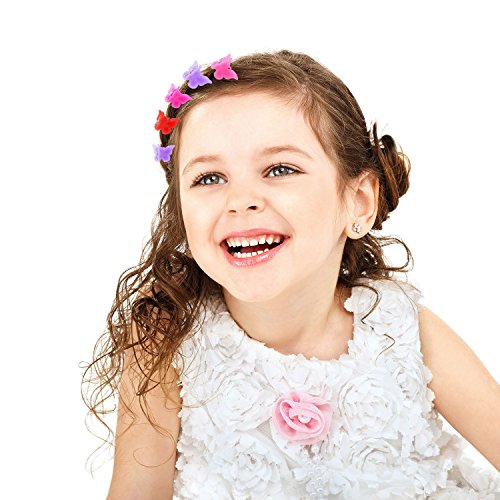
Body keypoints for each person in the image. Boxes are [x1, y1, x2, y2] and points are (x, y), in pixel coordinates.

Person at [83, 50, 500, 499]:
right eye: (209, 178)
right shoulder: (167, 335)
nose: (240, 200)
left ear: (359, 202)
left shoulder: (399, 330)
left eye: (280, 169)